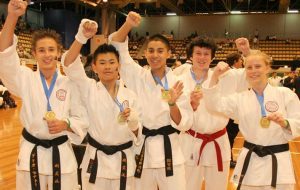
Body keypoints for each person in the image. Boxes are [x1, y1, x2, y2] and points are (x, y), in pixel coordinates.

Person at [0, 1, 89, 189]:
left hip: (62, 155)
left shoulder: (69, 83)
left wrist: (67, 124)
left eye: (51, 49)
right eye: (41, 50)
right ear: (33, 53)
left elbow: (81, 118)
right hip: (31, 153)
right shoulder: (25, 78)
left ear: (58, 52)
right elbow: (5, 55)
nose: (46, 54)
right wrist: (12, 17)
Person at [109, 12, 193, 190]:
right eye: (151, 50)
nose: (155, 55)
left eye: (160, 51)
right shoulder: (136, 75)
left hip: (170, 150)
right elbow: (117, 45)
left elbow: (184, 123)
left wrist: (172, 104)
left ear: (169, 53)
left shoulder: (179, 83)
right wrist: (128, 24)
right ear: (145, 53)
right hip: (142, 148)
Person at [202, 50, 300, 190]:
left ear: (267, 68)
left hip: (278, 161)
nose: (253, 71)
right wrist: (215, 76)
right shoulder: (240, 99)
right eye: (249, 67)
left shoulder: (285, 94)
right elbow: (213, 104)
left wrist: (284, 123)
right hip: (251, 162)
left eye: (258, 66)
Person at [62, 19, 142, 190]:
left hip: (123, 163)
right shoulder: (88, 88)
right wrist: (81, 37)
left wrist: (134, 122)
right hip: (95, 161)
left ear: (119, 66)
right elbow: (69, 64)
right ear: (94, 67)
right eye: (102, 63)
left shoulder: (131, 95)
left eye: (112, 62)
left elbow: (137, 134)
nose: (107, 67)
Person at [225, 52, 244, 168]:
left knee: (230, 136)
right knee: (230, 136)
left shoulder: (230, 72)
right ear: (235, 61)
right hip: (231, 110)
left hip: (231, 110)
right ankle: (228, 159)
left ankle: (228, 158)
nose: (242, 62)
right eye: (240, 60)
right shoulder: (233, 73)